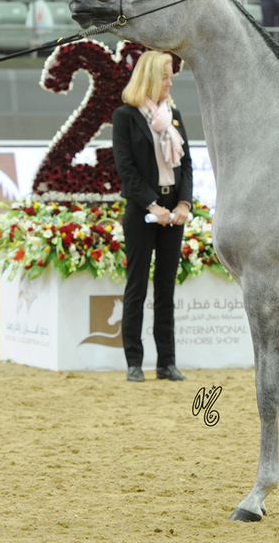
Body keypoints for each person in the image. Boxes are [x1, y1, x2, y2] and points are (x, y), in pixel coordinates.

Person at [112, 51, 193, 383]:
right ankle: (134, 361)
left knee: (165, 289)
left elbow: (185, 164)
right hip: (142, 213)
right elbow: (126, 170)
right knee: (137, 287)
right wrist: (151, 206)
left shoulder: (172, 114)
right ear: (149, 78)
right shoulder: (125, 116)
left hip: (173, 213)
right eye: (165, 77)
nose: (170, 82)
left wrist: (184, 204)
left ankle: (167, 362)